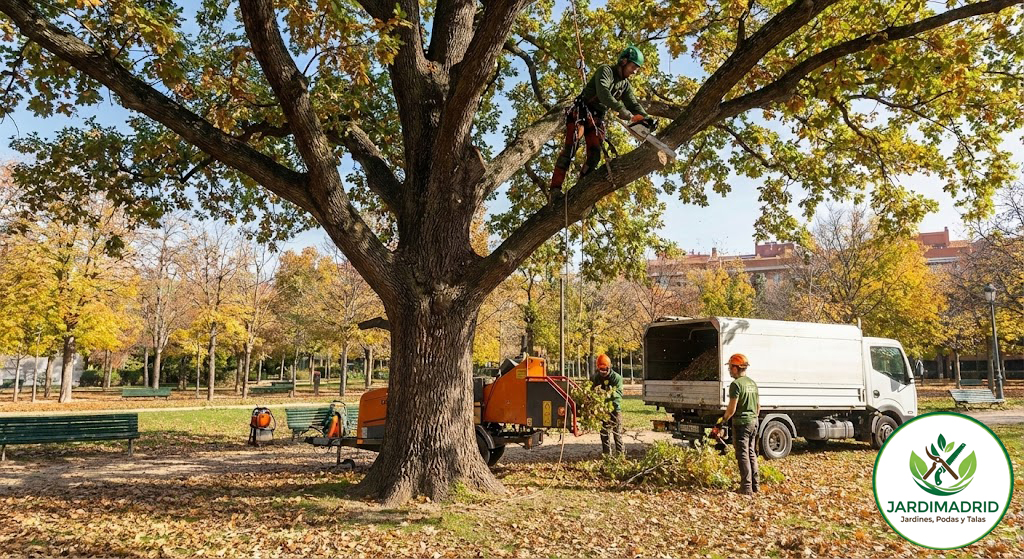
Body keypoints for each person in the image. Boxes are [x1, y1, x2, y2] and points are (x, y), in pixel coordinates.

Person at [548, 46, 656, 201]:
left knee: (595, 154)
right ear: (623, 61)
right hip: (582, 111)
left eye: (636, 69)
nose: (634, 72)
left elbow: (633, 104)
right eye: (633, 67)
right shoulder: (606, 71)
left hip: (597, 118)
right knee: (571, 145)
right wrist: (620, 109)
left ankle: (582, 185)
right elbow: (603, 92)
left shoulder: (624, 85)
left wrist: (645, 118)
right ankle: (555, 190)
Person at [721, 353, 760, 495]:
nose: (730, 370)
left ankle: (746, 488)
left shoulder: (736, 385)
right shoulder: (752, 383)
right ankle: (755, 485)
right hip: (754, 422)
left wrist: (722, 420)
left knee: (742, 454)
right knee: (751, 453)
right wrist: (753, 418)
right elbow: (758, 407)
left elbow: (732, 409)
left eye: (731, 367)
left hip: (742, 423)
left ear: (737, 368)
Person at [591, 353, 624, 456]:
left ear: (609, 367)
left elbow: (618, 394)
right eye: (601, 370)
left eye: (605, 370)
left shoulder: (617, 378)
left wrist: (607, 393)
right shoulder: (595, 378)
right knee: (604, 433)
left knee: (617, 433)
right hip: (602, 410)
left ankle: (620, 454)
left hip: (615, 409)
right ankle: (606, 455)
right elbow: (591, 392)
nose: (603, 372)